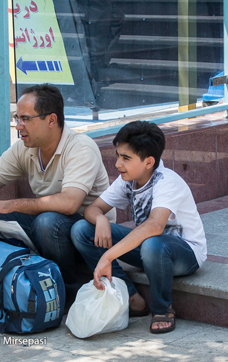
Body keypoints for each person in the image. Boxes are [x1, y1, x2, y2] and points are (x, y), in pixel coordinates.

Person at [0, 83, 115, 301]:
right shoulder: (25, 147)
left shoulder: (80, 147)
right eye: (17, 118)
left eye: (25, 119)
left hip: (88, 237)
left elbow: (69, 203)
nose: (18, 126)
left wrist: (10, 205)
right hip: (48, 230)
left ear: (51, 120)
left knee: (47, 222)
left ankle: (64, 292)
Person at [70, 121, 206, 333]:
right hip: (147, 249)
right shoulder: (128, 179)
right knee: (82, 229)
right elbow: (92, 209)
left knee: (153, 244)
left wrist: (107, 257)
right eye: (118, 155)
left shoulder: (167, 181)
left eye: (126, 158)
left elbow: (155, 225)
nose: (117, 164)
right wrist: (101, 219)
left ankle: (162, 308)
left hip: (184, 253)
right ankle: (132, 296)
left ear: (149, 162)